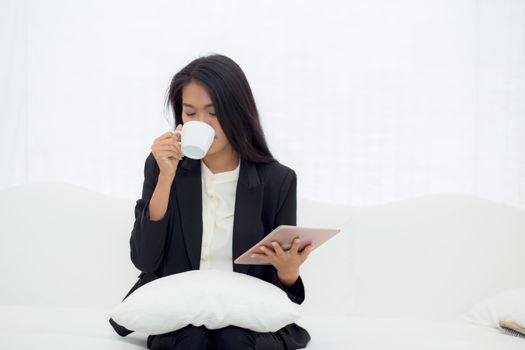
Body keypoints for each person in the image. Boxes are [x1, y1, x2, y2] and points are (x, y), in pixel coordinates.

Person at [131, 54, 312, 350]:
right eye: (190, 113)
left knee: (234, 339)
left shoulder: (277, 181)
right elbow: (145, 260)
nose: (201, 122)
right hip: (181, 312)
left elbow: (282, 294)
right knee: (191, 339)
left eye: (213, 113)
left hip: (245, 315)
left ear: (237, 113)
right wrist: (165, 178)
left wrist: (289, 271)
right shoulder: (162, 167)